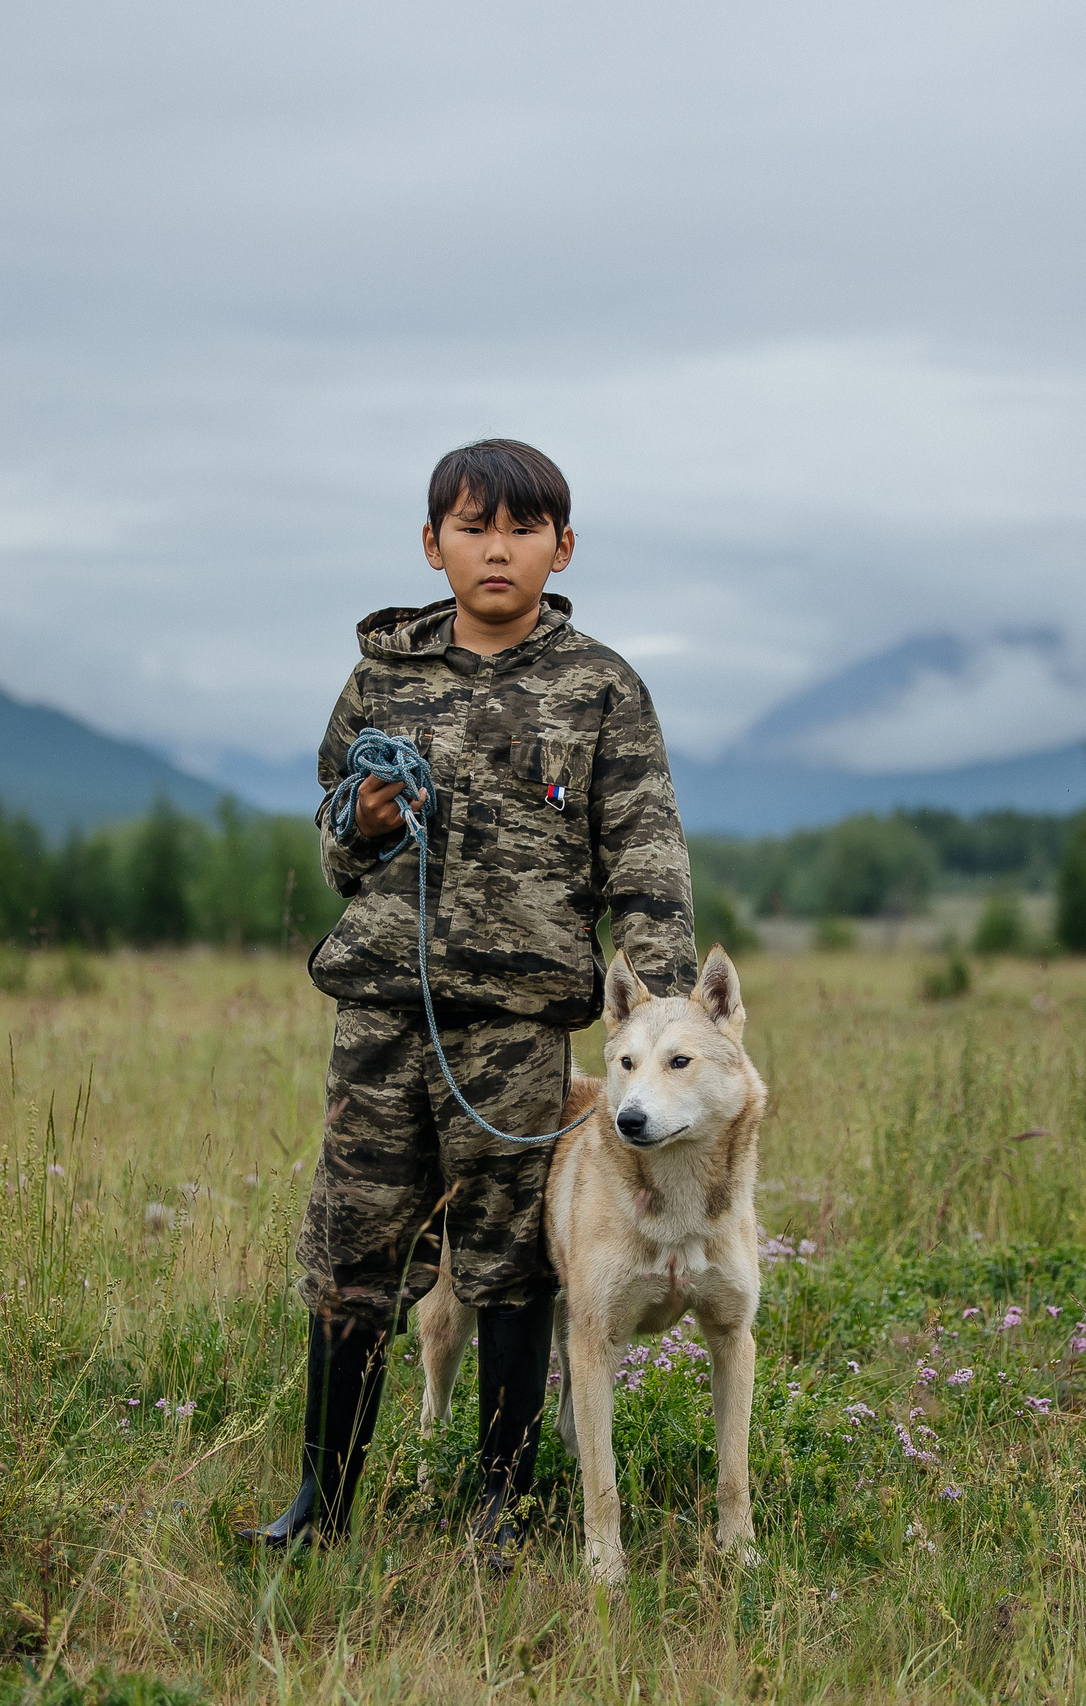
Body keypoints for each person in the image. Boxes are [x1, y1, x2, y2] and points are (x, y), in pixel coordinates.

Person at [253, 438, 695, 1560]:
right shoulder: (378, 682)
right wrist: (362, 823)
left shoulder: (600, 687)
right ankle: (320, 1507)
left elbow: (645, 862)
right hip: (381, 1017)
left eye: (522, 529)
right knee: (353, 1253)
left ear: (562, 547)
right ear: (431, 543)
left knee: (507, 1261)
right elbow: (336, 843)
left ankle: (501, 1506)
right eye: (472, 527)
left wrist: (667, 1016)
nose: (497, 549)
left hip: (515, 1028)